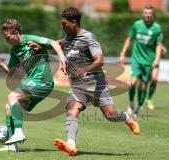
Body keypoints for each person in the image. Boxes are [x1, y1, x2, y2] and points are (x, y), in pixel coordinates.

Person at [53, 7, 140, 156]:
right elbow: (58, 43)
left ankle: (127, 117)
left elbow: (99, 60)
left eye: (64, 23)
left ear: (74, 22)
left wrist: (86, 69)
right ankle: (71, 145)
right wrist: (39, 46)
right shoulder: (68, 36)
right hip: (77, 86)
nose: (62, 26)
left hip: (95, 84)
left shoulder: (89, 38)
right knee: (71, 111)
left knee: (111, 116)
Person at [0, 19, 66, 152]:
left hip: (42, 80)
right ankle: (12, 145)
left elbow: (54, 43)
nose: (6, 40)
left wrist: (63, 61)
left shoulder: (30, 39)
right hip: (34, 81)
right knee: (9, 107)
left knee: (12, 96)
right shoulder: (15, 50)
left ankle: (18, 133)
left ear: (16, 32)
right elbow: (11, 72)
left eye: (8, 37)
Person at [119, 6, 163, 115]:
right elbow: (129, 39)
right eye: (145, 13)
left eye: (149, 13)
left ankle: (139, 106)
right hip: (136, 59)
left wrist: (157, 59)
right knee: (133, 83)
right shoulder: (136, 25)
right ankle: (131, 104)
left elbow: (158, 45)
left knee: (143, 85)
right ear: (143, 14)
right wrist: (122, 53)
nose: (147, 15)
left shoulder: (157, 28)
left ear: (153, 15)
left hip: (148, 61)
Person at [145, 44, 167, 110]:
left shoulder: (158, 35)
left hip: (155, 62)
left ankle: (149, 99)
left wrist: (162, 48)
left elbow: (162, 48)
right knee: (144, 81)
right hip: (145, 61)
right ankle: (141, 100)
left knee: (154, 79)